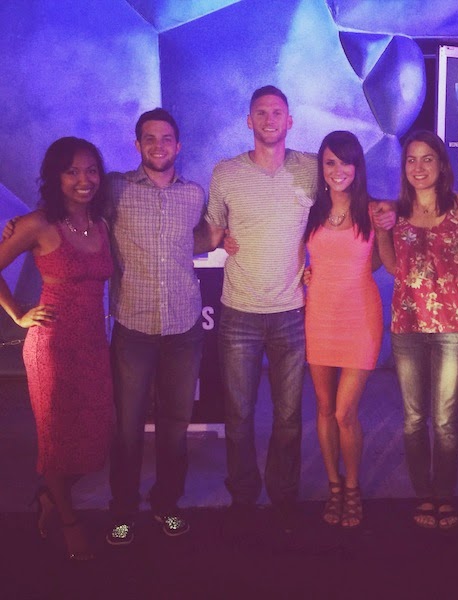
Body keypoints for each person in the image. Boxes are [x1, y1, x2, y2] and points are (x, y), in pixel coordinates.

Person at [194, 86, 317, 529]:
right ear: (249, 121)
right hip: (239, 314)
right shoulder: (226, 172)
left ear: (290, 120)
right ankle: (243, 496)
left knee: (288, 417)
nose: (269, 119)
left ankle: (284, 496)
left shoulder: (311, 169)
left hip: (290, 313)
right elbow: (211, 232)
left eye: (277, 112)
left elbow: (339, 212)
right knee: (239, 415)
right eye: (261, 112)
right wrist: (169, 236)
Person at [0, 137, 113, 560]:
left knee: (95, 438)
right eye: (72, 171)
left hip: (93, 346)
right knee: (56, 441)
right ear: (56, 177)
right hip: (52, 347)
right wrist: (17, 313)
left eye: (91, 170)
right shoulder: (38, 224)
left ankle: (50, 496)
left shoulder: (102, 223)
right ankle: (68, 523)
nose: (84, 179)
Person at [105, 108, 205, 545]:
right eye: (149, 138)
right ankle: (123, 510)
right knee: (127, 427)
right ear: (137, 145)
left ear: (178, 146)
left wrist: (224, 239)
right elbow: (74, 209)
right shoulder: (116, 189)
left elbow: (199, 238)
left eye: (166, 138)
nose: (158, 145)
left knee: (175, 425)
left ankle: (167, 504)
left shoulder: (194, 194)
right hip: (134, 328)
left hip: (184, 328)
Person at [375, 130, 458, 531]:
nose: (418, 167)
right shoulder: (395, 211)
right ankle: (423, 493)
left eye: (427, 159)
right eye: (411, 160)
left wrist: (453, 277)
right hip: (408, 324)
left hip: (454, 325)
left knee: (446, 419)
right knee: (415, 418)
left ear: (441, 163)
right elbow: (391, 265)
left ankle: (444, 494)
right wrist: (382, 231)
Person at [303, 130, 388, 528]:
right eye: (330, 162)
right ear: (321, 167)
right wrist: (305, 275)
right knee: (323, 408)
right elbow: (299, 257)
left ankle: (352, 487)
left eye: (346, 162)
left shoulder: (374, 211)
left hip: (360, 319)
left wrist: (388, 226)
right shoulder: (312, 211)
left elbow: (381, 262)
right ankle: (334, 487)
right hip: (319, 316)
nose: (338, 170)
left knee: (343, 412)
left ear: (358, 166)